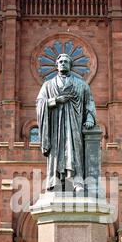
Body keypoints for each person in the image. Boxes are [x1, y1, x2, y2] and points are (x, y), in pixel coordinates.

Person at [36, 53, 96, 192]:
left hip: (74, 124)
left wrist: (90, 118)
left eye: (66, 61)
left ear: (70, 65)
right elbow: (40, 103)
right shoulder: (48, 85)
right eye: (60, 61)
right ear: (56, 65)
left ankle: (77, 182)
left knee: (74, 150)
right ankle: (55, 181)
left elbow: (89, 103)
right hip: (55, 126)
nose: (63, 63)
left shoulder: (82, 85)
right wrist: (55, 101)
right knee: (56, 152)